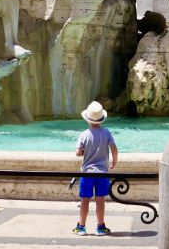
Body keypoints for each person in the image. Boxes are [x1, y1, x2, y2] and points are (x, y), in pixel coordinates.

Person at [72, 101, 118, 237]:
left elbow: (77, 152)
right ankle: (100, 227)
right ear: (101, 119)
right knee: (100, 200)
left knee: (85, 200)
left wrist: (85, 150)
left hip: (87, 173)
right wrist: (114, 161)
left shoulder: (84, 134)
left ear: (87, 119)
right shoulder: (106, 132)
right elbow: (114, 148)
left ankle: (81, 227)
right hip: (102, 173)